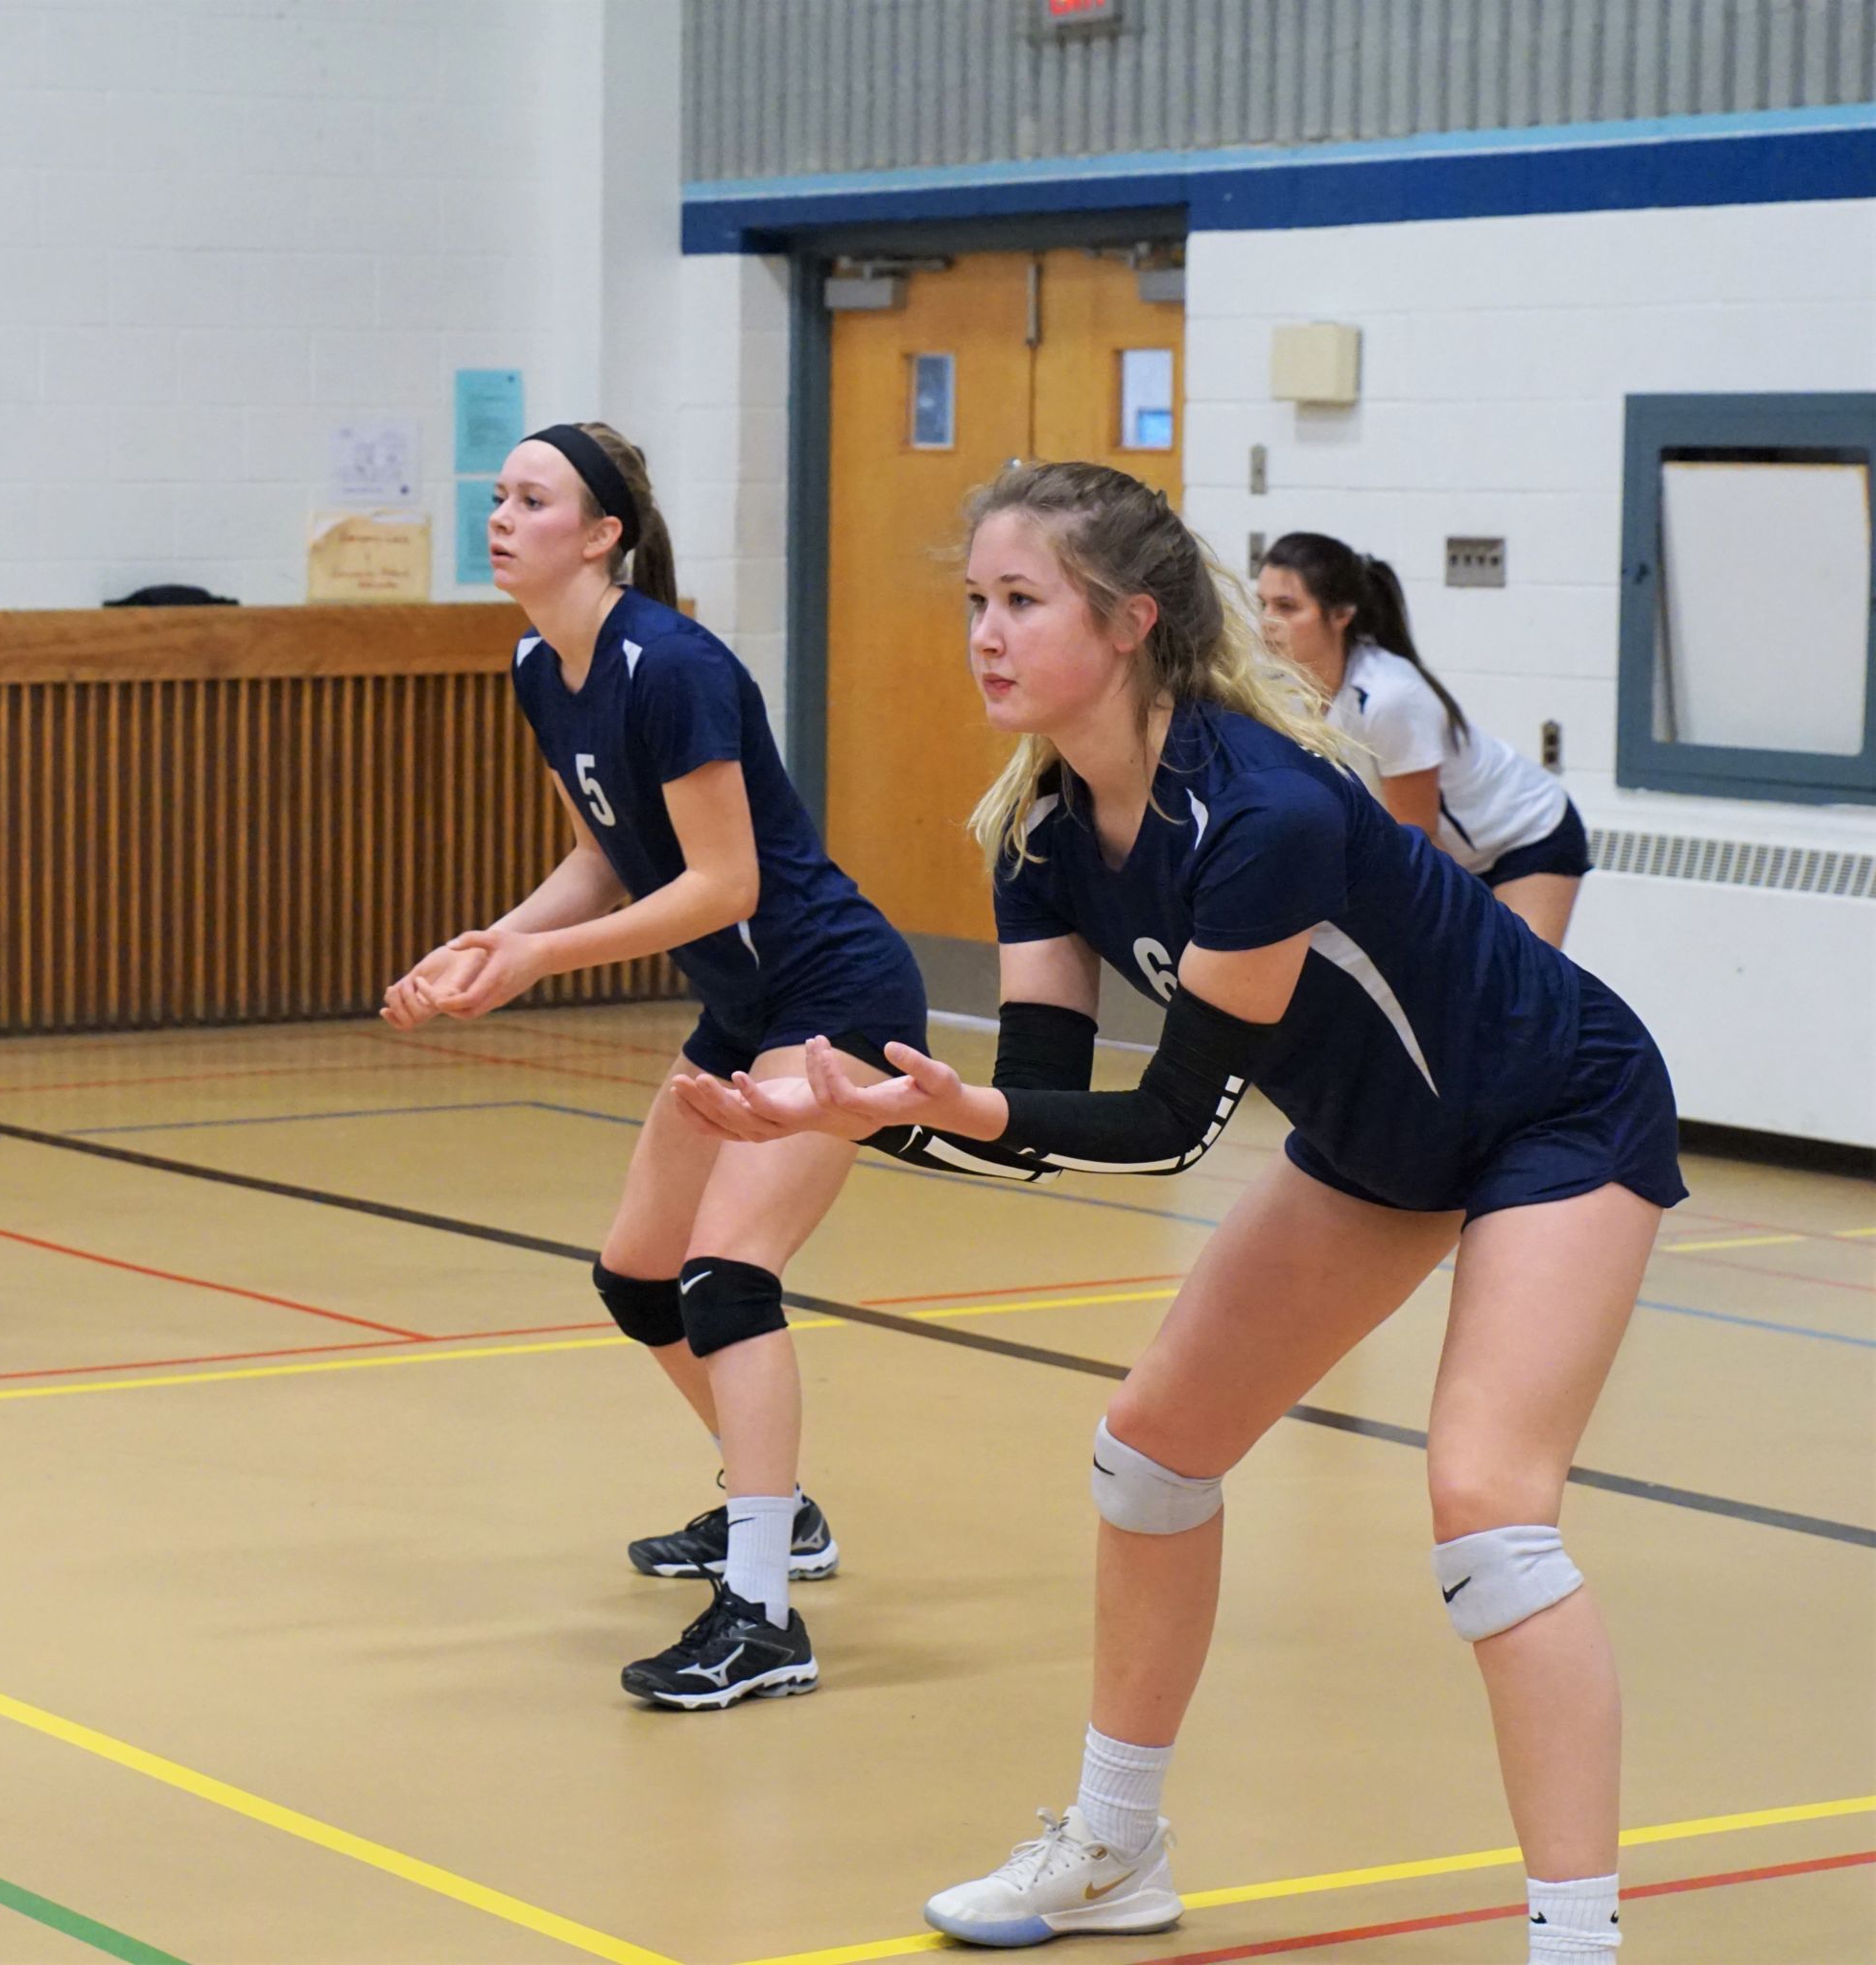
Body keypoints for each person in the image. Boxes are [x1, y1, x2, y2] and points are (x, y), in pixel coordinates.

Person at [675, 462, 1684, 1957]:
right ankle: (1114, 1846)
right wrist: (879, 1119)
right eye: (976, 603)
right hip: (1377, 1140)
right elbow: (1036, 1105)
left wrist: (933, 1117)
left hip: (1556, 1109)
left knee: (1489, 1519)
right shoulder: (1037, 826)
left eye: (1023, 602)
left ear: (1134, 621)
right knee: (1150, 1461)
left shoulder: (1260, 810)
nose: (986, 635)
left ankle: (1578, 1941)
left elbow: (1165, 1129)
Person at [381, 420, 929, 1710]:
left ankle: (763, 1618)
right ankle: (777, 1511)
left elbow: (724, 880)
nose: (501, 516)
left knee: (726, 1278)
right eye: (499, 494)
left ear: (605, 530)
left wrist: (544, 967)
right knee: (639, 1283)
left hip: (834, 996)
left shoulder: (669, 664)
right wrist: (493, 941)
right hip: (744, 1006)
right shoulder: (540, 663)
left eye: (533, 498)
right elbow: (607, 857)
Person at [1256, 532, 1591, 946]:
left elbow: (1417, 844)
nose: (1267, 622)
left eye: (1287, 607)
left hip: (1524, 835)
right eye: (1262, 604)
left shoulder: (1389, 696)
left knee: (1523, 992)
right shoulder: (1283, 695)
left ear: (1341, 613)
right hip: (1449, 854)